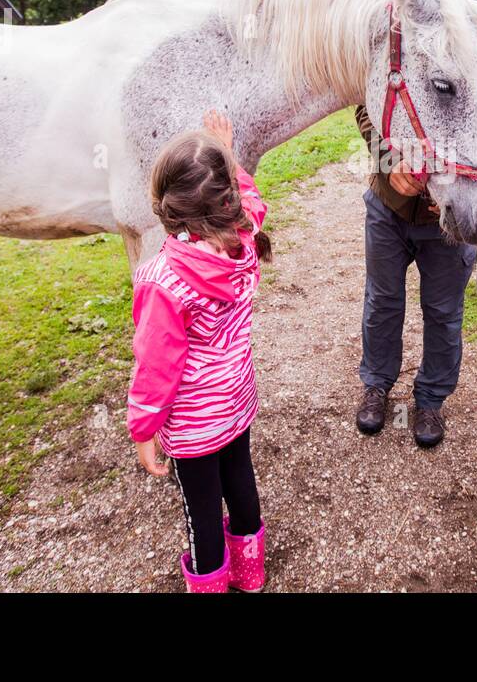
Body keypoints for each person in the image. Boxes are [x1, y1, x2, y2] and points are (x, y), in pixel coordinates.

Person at [353, 0, 477, 448]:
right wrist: (390, 161)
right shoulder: (415, 45)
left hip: (453, 216)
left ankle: (430, 400)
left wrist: (448, 182)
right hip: (389, 203)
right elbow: (370, 110)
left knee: (444, 310)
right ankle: (376, 385)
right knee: (382, 301)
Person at [126, 110, 270, 593]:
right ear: (227, 200)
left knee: (202, 517)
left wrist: (144, 429)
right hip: (236, 406)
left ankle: (211, 581)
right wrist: (228, 156)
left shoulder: (162, 281)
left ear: (166, 206)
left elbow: (154, 370)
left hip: (191, 426)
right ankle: (250, 576)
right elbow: (252, 202)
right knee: (242, 487)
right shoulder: (243, 242)